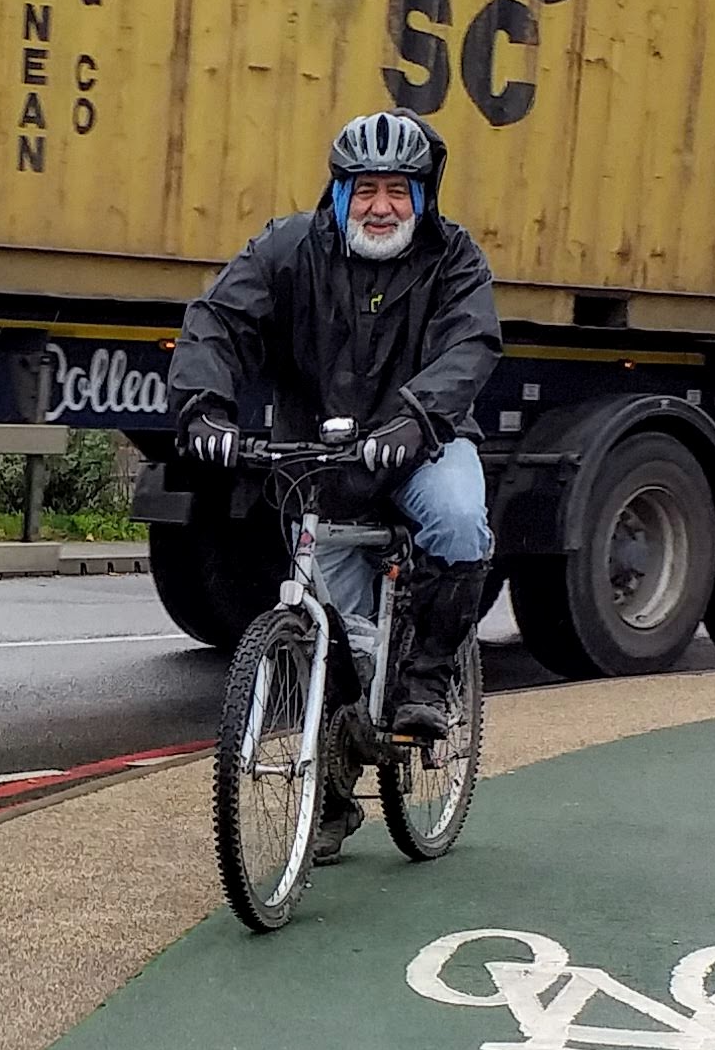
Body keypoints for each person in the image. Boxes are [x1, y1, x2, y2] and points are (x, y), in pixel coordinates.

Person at [169, 112, 506, 792]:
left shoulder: (454, 257)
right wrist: (204, 408)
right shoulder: (288, 249)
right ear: (339, 192)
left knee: (461, 521)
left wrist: (415, 421)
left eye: (398, 190)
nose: (382, 206)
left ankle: (427, 684)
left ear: (423, 194)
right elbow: (218, 321)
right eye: (366, 188)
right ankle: (331, 792)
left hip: (424, 445)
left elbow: (470, 348)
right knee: (341, 640)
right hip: (320, 459)